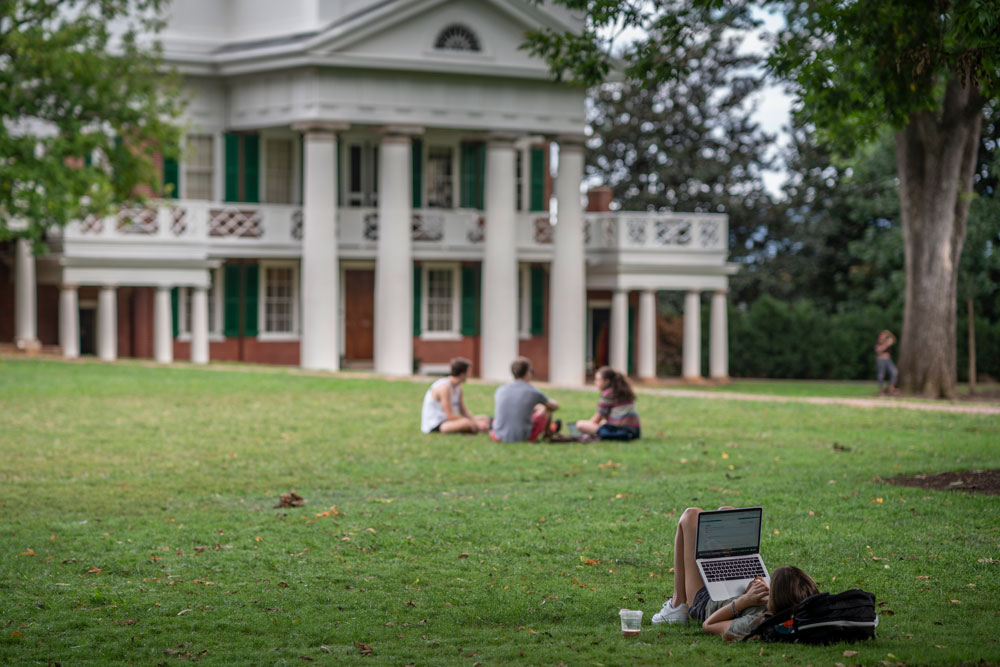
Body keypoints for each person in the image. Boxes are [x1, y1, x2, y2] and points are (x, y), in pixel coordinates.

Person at [651, 507, 819, 641]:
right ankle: (714, 550)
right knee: (727, 511)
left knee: (690, 516)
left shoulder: (753, 624)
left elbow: (709, 625)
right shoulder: (790, 607)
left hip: (708, 603)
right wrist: (754, 592)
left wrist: (742, 602)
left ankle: (678, 605)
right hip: (741, 593)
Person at [491, 357, 559, 443]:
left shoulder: (500, 389)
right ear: (527, 372)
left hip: (498, 436)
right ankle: (548, 434)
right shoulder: (533, 391)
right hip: (523, 437)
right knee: (546, 409)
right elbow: (554, 406)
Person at [420, 358, 490, 434]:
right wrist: (475, 423)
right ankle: (477, 428)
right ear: (462, 374)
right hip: (437, 424)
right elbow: (449, 416)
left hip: (449, 421)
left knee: (485, 418)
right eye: (468, 372)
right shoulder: (444, 387)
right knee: (466, 423)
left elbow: (464, 412)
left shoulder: (458, 388)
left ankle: (479, 426)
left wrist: (475, 420)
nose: (469, 375)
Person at [574, 366, 641, 441]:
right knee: (603, 422)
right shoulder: (621, 391)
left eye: (598, 379)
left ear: (607, 381)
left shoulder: (608, 394)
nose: (595, 382)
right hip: (634, 431)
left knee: (580, 425)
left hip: (620, 431)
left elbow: (596, 420)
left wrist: (586, 426)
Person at [874, 329, 899, 395]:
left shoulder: (888, 341)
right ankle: (881, 390)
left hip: (888, 359)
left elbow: (894, 340)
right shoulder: (878, 343)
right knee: (881, 375)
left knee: (894, 372)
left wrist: (889, 333)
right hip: (881, 360)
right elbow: (878, 351)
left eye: (885, 335)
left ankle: (891, 388)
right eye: (882, 335)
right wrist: (885, 345)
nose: (883, 336)